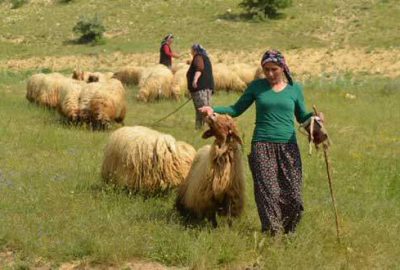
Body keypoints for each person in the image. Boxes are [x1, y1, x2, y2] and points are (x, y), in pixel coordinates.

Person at [199, 49, 324, 235]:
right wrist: (212, 108)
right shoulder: (257, 87)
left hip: (288, 147)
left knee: (294, 195)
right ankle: (272, 232)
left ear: (282, 67)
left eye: (274, 69)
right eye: (266, 69)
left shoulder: (294, 89)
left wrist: (315, 119)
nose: (270, 73)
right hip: (262, 146)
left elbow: (302, 116)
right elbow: (235, 109)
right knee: (268, 193)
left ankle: (289, 231)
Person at [186, 44, 214, 130]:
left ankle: (203, 128)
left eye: (192, 50)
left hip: (200, 89)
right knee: (206, 108)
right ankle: (202, 128)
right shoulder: (206, 58)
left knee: (202, 110)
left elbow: (199, 68)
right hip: (206, 88)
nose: (191, 52)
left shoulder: (198, 57)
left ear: (195, 50)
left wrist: (195, 80)